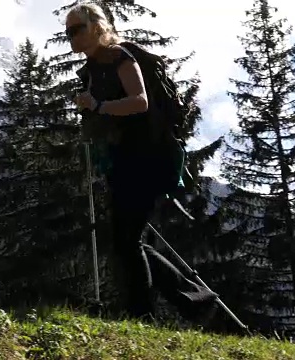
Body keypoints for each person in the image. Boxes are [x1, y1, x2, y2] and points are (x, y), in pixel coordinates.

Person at [65, 3, 218, 324]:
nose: (71, 37)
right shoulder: (93, 67)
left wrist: (98, 104)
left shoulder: (120, 56)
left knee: (127, 239)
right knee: (126, 238)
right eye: (67, 31)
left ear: (95, 26)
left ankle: (143, 313)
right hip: (125, 159)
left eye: (76, 29)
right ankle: (192, 300)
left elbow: (140, 101)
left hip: (147, 158)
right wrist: (92, 111)